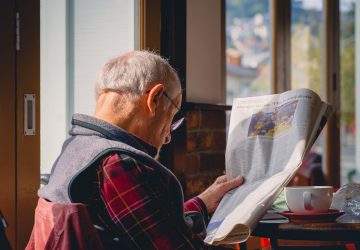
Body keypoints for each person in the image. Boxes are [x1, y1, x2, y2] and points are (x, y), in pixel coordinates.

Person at [35, 50, 244, 249]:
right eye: (171, 118)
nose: (168, 136)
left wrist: (202, 203)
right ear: (154, 98)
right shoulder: (118, 164)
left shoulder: (75, 149)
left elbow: (148, 224)